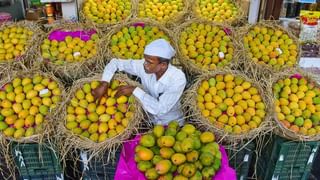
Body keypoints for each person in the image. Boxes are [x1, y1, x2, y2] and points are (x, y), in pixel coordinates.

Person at [92, 39, 187, 125]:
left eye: (149, 62)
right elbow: (115, 63)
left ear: (163, 65)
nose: (145, 64)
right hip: (148, 120)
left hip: (171, 123)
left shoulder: (177, 78)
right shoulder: (144, 66)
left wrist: (134, 90)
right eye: (145, 60)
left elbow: (160, 109)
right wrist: (104, 83)